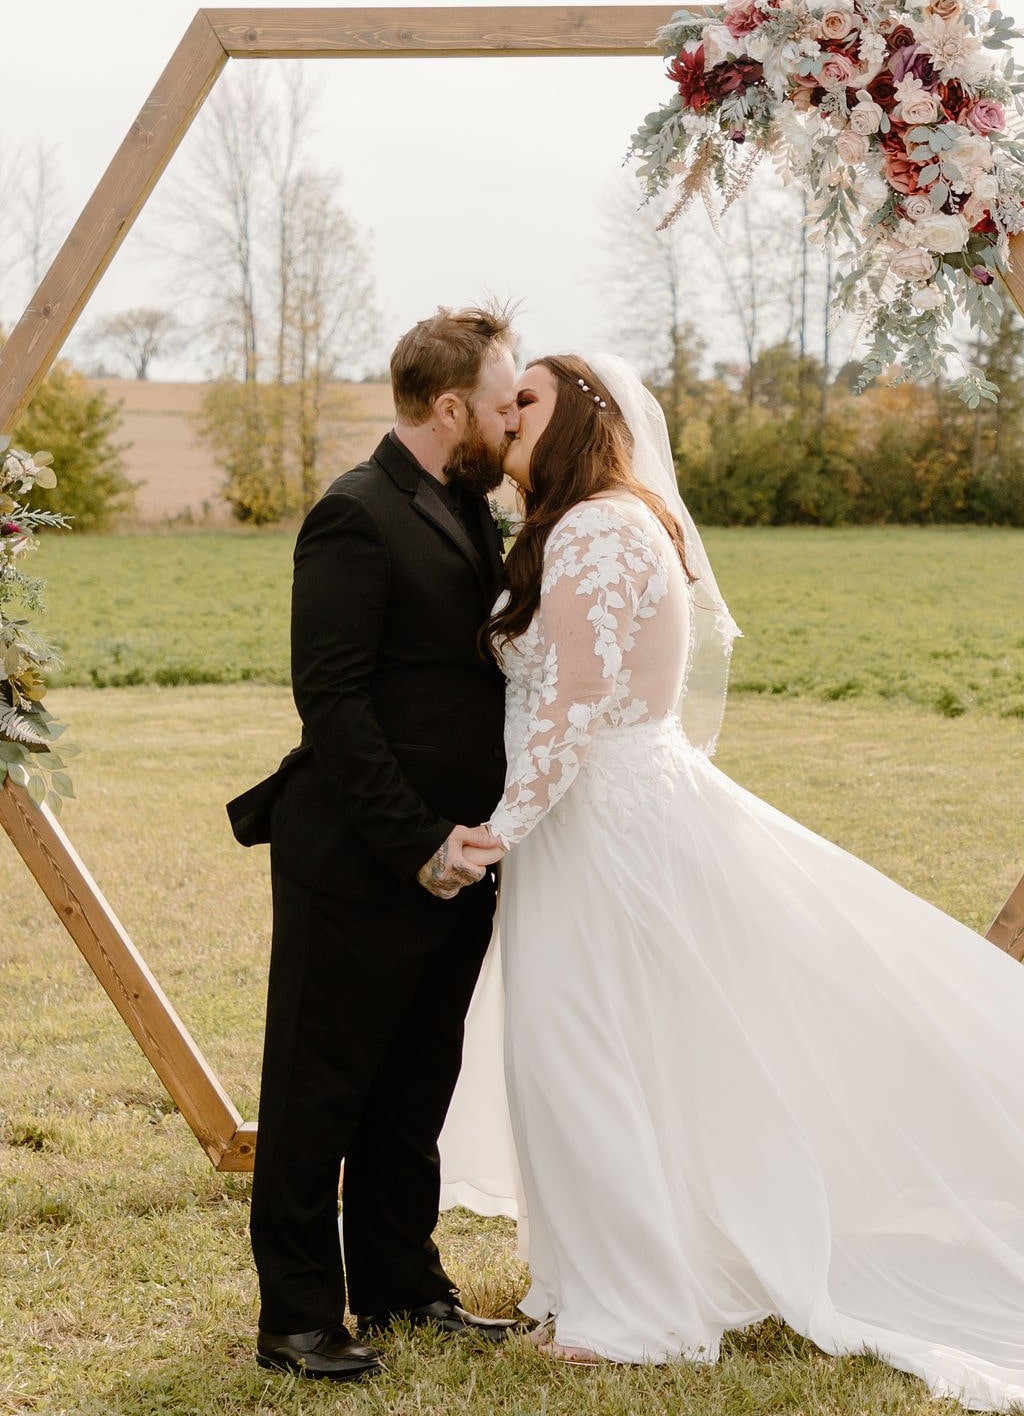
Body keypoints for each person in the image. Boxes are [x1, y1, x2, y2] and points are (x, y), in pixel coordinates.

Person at [445, 352, 1024, 1410]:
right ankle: (616, 1272)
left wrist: (495, 832)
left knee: (584, 1049)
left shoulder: (595, 529)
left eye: (526, 399)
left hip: (600, 826)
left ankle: (637, 1307)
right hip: (606, 817)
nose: (504, 415)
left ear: (579, 415)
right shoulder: (607, 521)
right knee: (612, 1047)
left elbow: (577, 701)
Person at [228, 304, 521, 1381]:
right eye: (500, 405)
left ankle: (401, 1286)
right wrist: (417, 843)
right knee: (317, 1092)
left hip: (459, 863)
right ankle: (297, 1318)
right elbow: (334, 702)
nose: (510, 422)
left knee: (412, 1087)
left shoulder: (464, 504)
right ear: (450, 409)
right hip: (361, 860)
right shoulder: (353, 513)